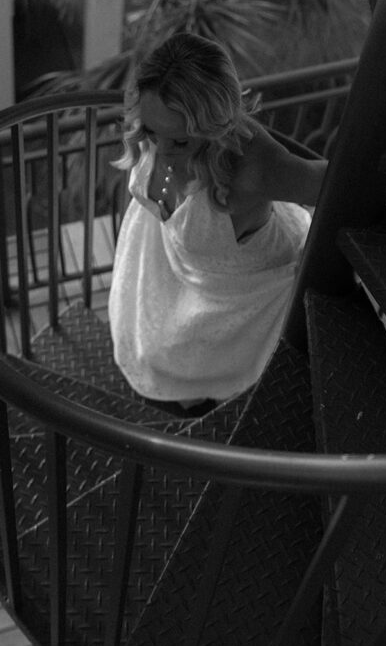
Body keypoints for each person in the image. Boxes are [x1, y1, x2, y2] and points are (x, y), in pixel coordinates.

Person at [108, 32, 327, 413]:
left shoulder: (253, 170)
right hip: (171, 267)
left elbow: (337, 184)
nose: (160, 151)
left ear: (214, 128)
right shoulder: (162, 121)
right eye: (149, 132)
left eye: (179, 142)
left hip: (239, 298)